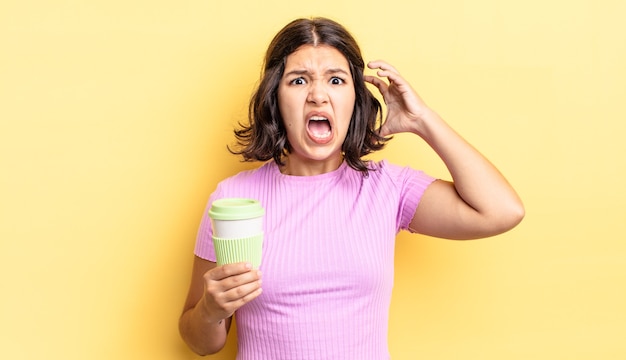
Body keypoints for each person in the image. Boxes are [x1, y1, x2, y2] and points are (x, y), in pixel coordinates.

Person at [178, 17, 524, 359]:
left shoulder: (388, 188)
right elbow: (201, 342)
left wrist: (422, 120)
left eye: (336, 80)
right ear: (276, 98)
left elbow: (502, 211)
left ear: (355, 98)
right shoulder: (233, 200)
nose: (317, 95)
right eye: (298, 80)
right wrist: (210, 310)